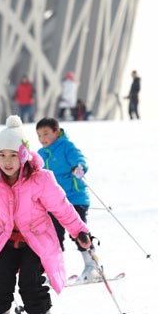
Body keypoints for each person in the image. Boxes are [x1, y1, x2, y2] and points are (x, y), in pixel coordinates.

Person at [0, 115, 91, 314]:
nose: (7, 161)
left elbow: (62, 208)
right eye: (2, 155)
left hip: (35, 240)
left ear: (24, 154)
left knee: (31, 283)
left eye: (13, 155)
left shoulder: (40, 179)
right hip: (4, 238)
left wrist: (78, 231)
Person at [36, 117, 99, 283]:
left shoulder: (66, 146)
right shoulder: (41, 155)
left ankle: (92, 266)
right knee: (54, 237)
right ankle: (55, 271)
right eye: (39, 136)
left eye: (46, 134)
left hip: (74, 197)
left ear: (56, 132)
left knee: (78, 233)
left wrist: (78, 167)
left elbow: (79, 159)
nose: (43, 139)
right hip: (53, 203)